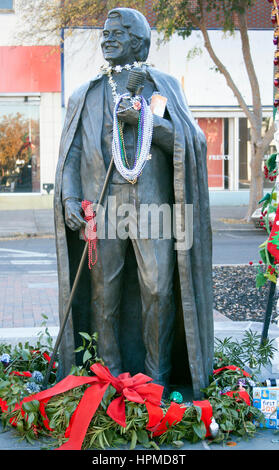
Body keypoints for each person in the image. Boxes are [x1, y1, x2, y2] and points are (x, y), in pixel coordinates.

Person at [54, 7, 213, 399]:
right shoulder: (86, 93)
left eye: (117, 33)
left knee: (158, 288)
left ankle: (156, 377)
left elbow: (192, 142)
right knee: (102, 295)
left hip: (152, 209)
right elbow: (71, 154)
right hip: (103, 208)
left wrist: (148, 124)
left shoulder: (163, 85)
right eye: (104, 33)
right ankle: (108, 378)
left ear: (139, 41)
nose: (106, 39)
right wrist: (70, 196)